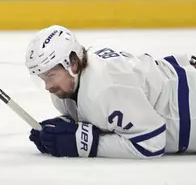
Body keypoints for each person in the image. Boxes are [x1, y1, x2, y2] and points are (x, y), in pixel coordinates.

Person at [25, 25, 196, 159]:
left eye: (51, 76)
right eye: (42, 78)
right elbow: (102, 118)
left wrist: (84, 144)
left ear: (73, 63)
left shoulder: (105, 86)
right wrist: (63, 128)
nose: (48, 86)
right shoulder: (68, 89)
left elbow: (152, 143)